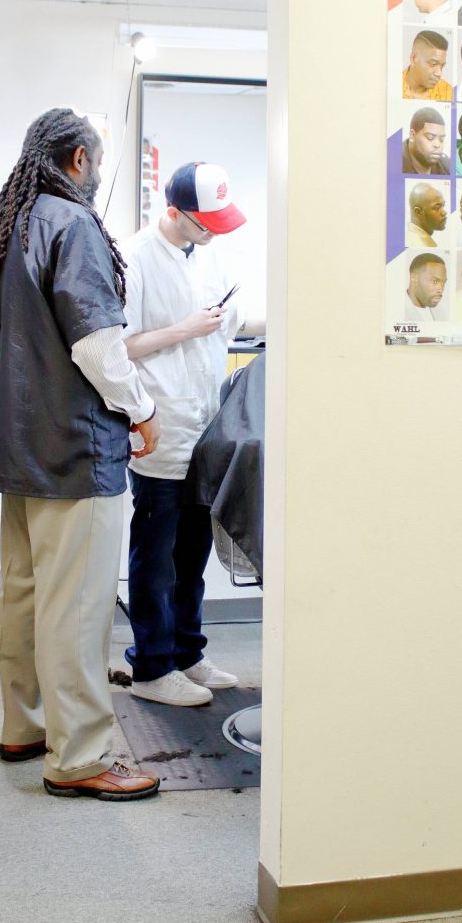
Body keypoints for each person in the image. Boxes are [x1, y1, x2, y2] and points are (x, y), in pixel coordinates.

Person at [0, 107, 161, 801]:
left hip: (16, 448)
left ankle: (23, 727)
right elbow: (95, 346)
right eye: (98, 160)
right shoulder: (73, 226)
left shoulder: (1, 230)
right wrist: (141, 411)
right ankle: (79, 756)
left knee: (21, 595)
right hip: (73, 450)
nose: (99, 172)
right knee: (77, 608)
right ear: (77, 160)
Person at [121, 161, 264, 707]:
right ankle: (152, 668)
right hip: (160, 425)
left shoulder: (208, 251)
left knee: (193, 553)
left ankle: (187, 653)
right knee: (154, 557)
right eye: (205, 223)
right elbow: (121, 344)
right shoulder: (135, 258)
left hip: (204, 425)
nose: (213, 232)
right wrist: (188, 328)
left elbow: (228, 319)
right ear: (174, 212)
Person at [402, 30, 453, 100]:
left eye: (442, 66)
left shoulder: (448, 92)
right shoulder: (392, 85)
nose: (439, 73)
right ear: (414, 58)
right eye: (433, 64)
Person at [402, 107, 450, 174]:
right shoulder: (392, 162)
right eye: (430, 137)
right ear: (412, 135)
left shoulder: (447, 167)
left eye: (441, 139)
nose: (437, 145)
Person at [404, 252, 447, 322]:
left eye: (443, 282)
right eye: (435, 281)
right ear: (414, 279)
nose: (440, 289)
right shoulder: (396, 310)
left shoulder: (441, 312)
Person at [406, 182, 448, 247]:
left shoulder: (417, 240)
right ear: (418, 212)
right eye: (437, 207)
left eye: (443, 205)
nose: (444, 213)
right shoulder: (418, 245)